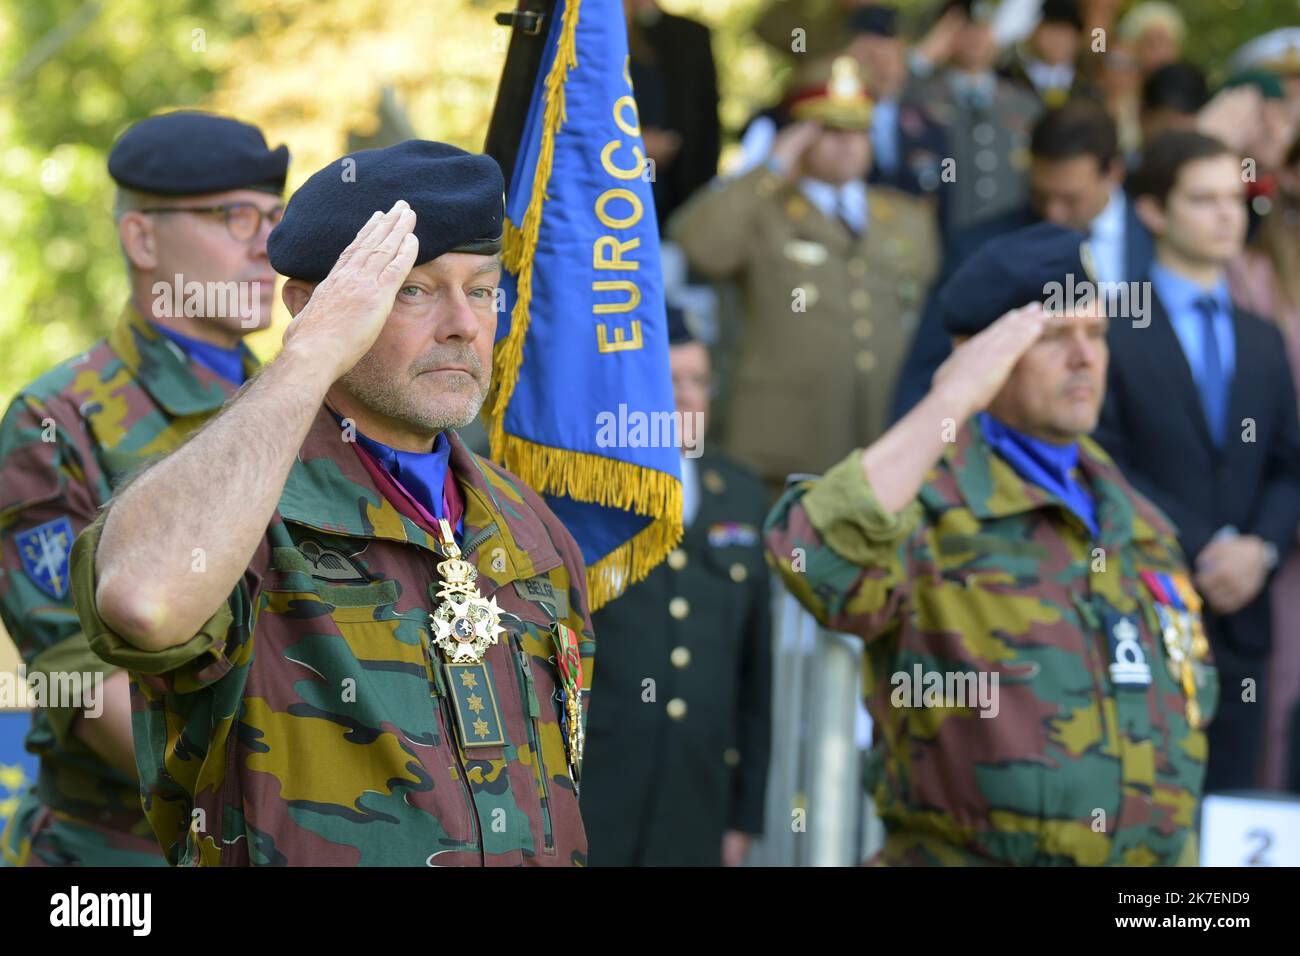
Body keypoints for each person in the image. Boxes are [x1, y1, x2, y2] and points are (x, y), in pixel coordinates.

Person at [67, 141, 595, 866]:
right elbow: (143, 602)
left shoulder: (528, 528)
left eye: (480, 290)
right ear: (312, 308)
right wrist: (308, 357)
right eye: (413, 289)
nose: (462, 325)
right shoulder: (244, 512)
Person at [766, 222, 1218, 866]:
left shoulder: (1139, 524)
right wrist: (950, 398)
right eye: (1054, 337)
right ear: (980, 356)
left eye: (1095, 334)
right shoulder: (926, 501)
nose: (1085, 358)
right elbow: (814, 555)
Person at [0, 111, 288, 867]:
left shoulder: (305, 411)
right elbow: (85, 688)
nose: (267, 244)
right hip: (122, 857)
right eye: (234, 216)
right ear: (142, 239)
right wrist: (290, 791)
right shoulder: (54, 421)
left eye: (274, 216)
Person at [1095, 132, 1300, 793]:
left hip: (1244, 616)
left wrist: (1261, 549)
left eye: (1234, 199)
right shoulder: (1109, 324)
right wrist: (1203, 545)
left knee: (1235, 804)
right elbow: (1103, 459)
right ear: (1153, 212)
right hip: (1144, 604)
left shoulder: (1261, 336)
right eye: (1202, 200)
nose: (1226, 216)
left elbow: (1289, 463)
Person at [670, 56, 938, 490]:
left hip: (884, 441)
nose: (847, 143)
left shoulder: (906, 217)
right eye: (829, 129)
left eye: (857, 130)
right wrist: (773, 166)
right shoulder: (762, 208)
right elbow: (699, 246)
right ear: (799, 134)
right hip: (785, 448)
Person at [581, 308, 772, 867]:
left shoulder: (739, 493)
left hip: (699, 793)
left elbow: (755, 673)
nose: (688, 399)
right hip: (597, 787)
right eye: (670, 383)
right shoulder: (584, 488)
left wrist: (746, 813)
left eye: (698, 381)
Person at [892, 99, 1152, 419]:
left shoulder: (1164, 237)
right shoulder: (980, 249)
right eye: (1041, 195)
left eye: (1071, 198)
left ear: (1114, 173)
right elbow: (927, 372)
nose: (1054, 213)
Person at [904, 0, 1042, 233]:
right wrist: (926, 53)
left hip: (1010, 237)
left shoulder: (1025, 103)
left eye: (984, 28)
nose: (976, 38)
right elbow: (887, 98)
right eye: (965, 28)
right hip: (945, 238)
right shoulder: (920, 97)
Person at [624, 0, 721, 227]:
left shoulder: (688, 38)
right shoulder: (588, 35)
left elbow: (706, 127)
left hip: (670, 193)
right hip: (610, 186)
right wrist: (633, 142)